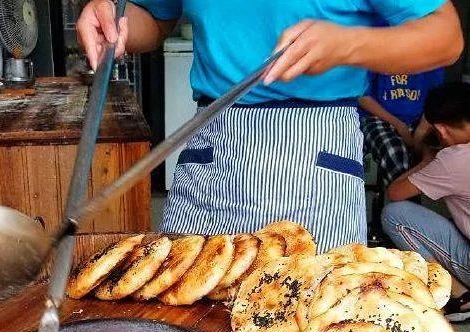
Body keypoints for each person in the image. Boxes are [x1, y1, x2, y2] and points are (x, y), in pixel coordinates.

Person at [76, 0, 462, 251]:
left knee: (311, 323)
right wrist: (115, 21)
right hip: (213, 143)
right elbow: (155, 19)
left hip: (315, 153)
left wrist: (346, 44)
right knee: (186, 312)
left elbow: (445, 36)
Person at [384, 82, 470, 322]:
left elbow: (395, 193)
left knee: (394, 214)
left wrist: (426, 160)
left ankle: (460, 297)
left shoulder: (452, 159)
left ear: (441, 130)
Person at [360, 68, 444, 186]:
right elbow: (361, 97)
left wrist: (423, 127)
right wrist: (399, 126)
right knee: (394, 151)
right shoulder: (374, 59)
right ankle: (400, 194)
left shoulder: (432, 62)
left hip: (422, 118)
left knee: (438, 153)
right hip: (377, 116)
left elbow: (437, 96)